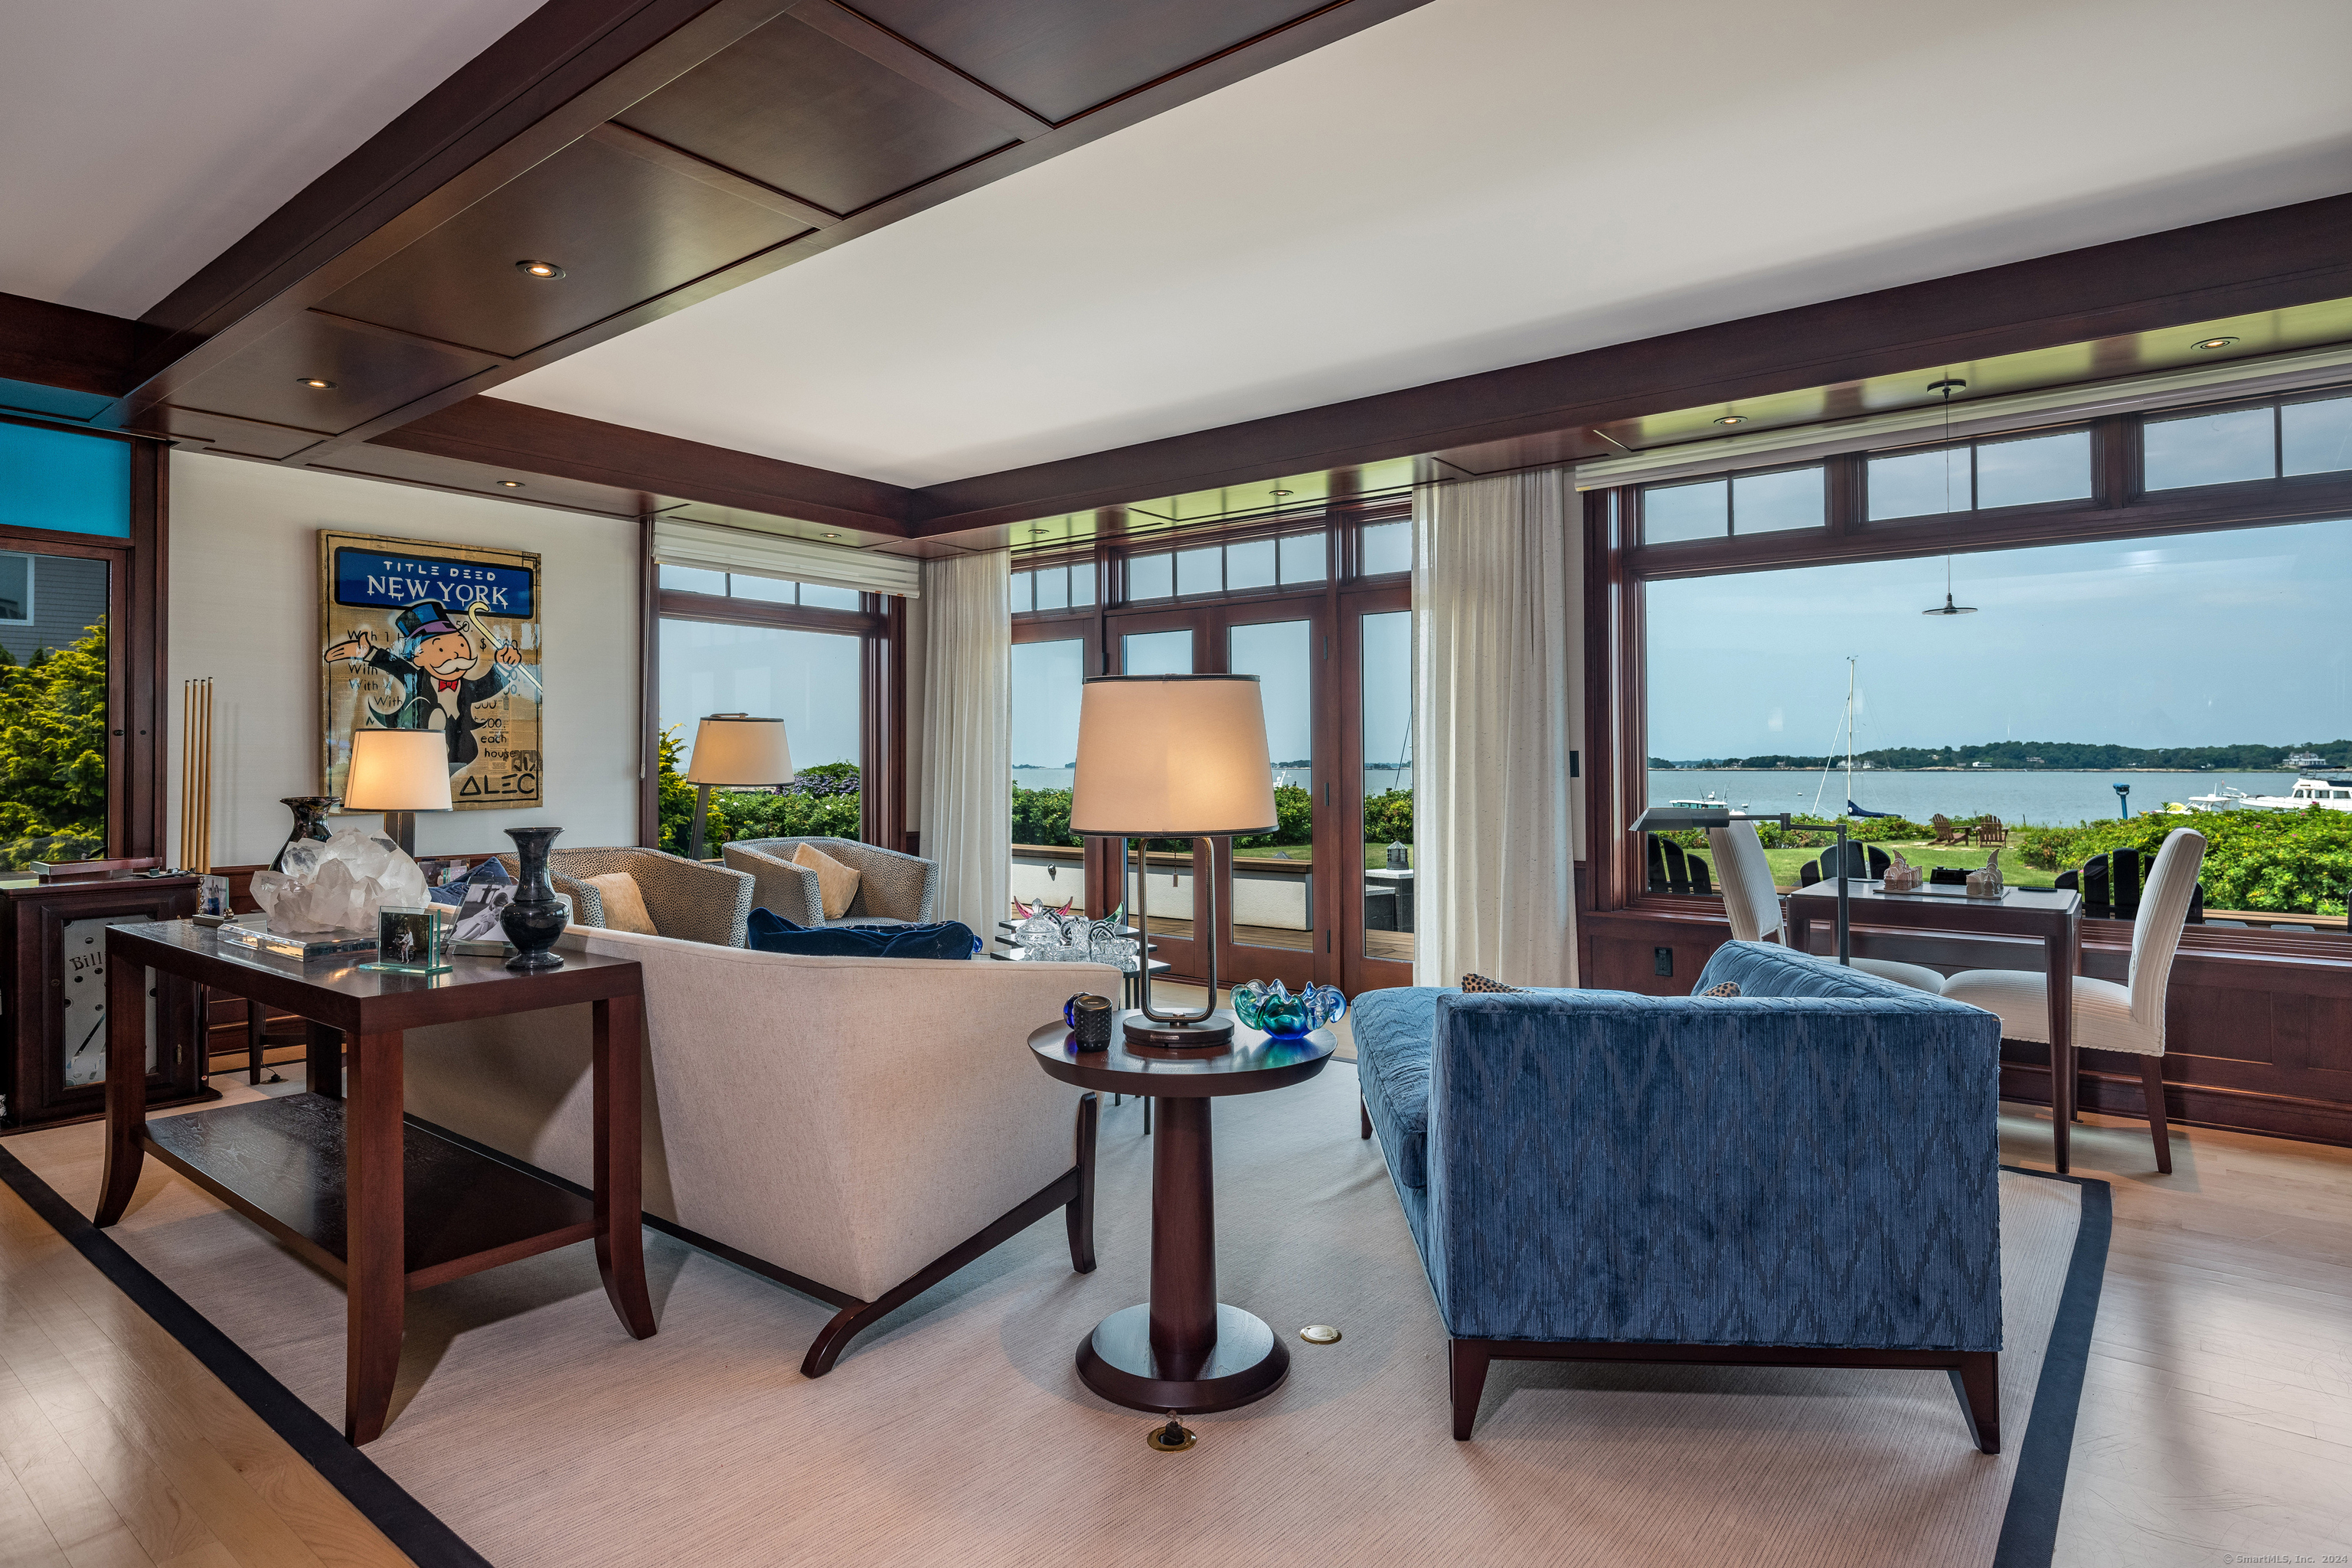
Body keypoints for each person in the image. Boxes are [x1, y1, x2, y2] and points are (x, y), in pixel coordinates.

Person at [324, 601, 521, 770]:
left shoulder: (467, 687)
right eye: (441, 649)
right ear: (418, 657)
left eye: (461, 646)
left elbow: (487, 686)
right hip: (420, 749)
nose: (455, 656)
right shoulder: (416, 679)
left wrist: (503, 666)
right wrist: (367, 653)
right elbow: (395, 665)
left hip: (461, 751)